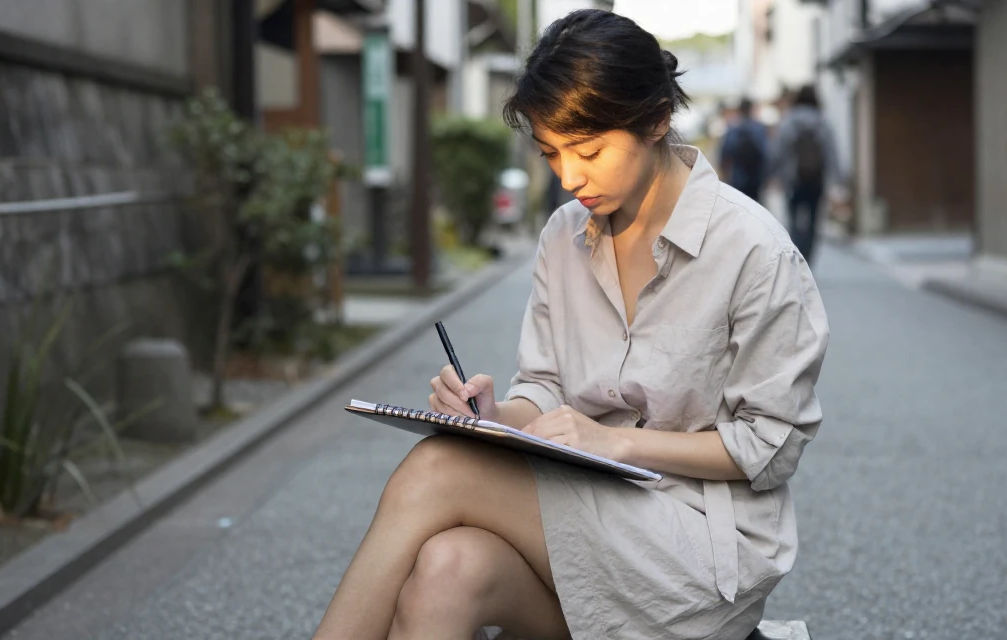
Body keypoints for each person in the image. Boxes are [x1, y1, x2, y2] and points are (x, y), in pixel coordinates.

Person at [312, 9, 829, 640]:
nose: (569, 176)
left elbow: (768, 447)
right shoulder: (564, 235)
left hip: (701, 544)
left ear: (657, 119)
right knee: (448, 570)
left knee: (437, 470)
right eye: (552, 152)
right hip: (586, 515)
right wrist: (497, 415)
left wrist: (617, 442)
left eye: (588, 150)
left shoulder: (754, 251)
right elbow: (547, 389)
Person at [767, 84, 840, 266]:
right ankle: (808, 259)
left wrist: (773, 174)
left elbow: (778, 151)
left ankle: (796, 257)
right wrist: (838, 181)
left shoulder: (789, 121)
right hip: (817, 181)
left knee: (793, 221)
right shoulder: (823, 121)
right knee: (814, 223)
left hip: (793, 180)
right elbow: (832, 153)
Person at [718, 98, 769, 202]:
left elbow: (725, 152)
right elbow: (766, 152)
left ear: (740, 110)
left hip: (738, 175)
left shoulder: (733, 128)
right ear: (751, 109)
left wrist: (724, 171)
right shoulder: (759, 128)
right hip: (756, 175)